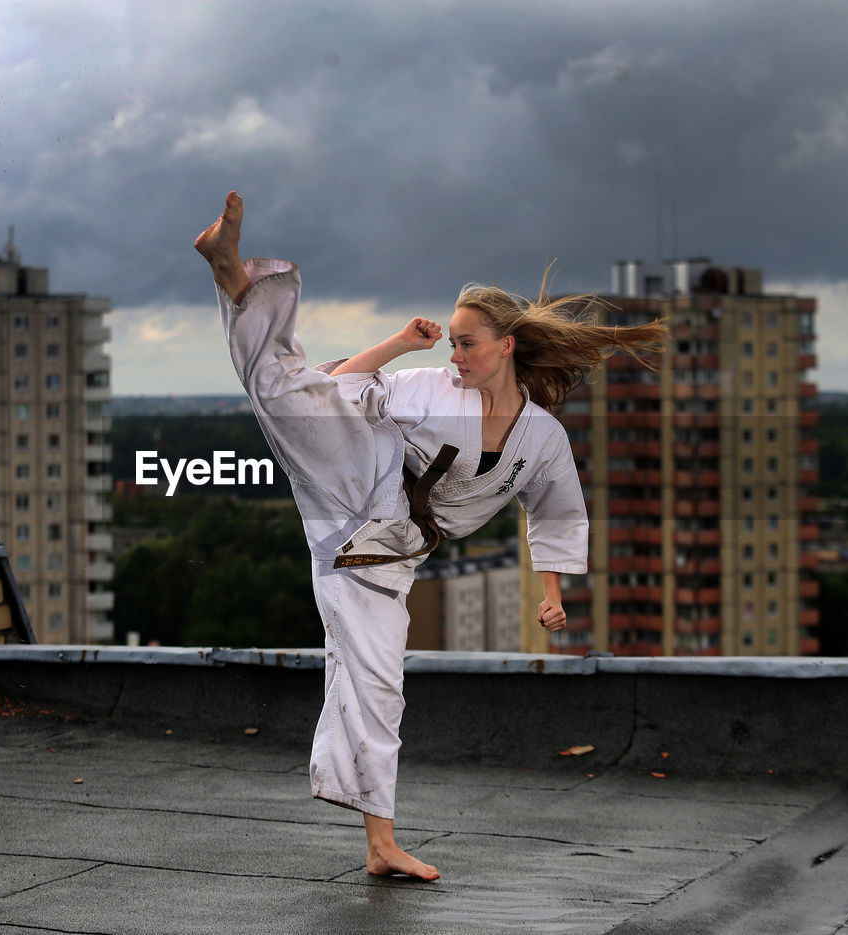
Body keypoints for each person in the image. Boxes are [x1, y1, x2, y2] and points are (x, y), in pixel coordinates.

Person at [194, 191, 665, 881]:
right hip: (360, 477)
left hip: (383, 558)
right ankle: (233, 274)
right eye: (449, 339)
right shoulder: (429, 388)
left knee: (378, 686)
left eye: (466, 341)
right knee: (293, 396)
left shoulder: (544, 439)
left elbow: (556, 511)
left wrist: (552, 592)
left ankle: (380, 844)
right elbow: (337, 384)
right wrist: (399, 345)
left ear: (506, 346)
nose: (456, 351)